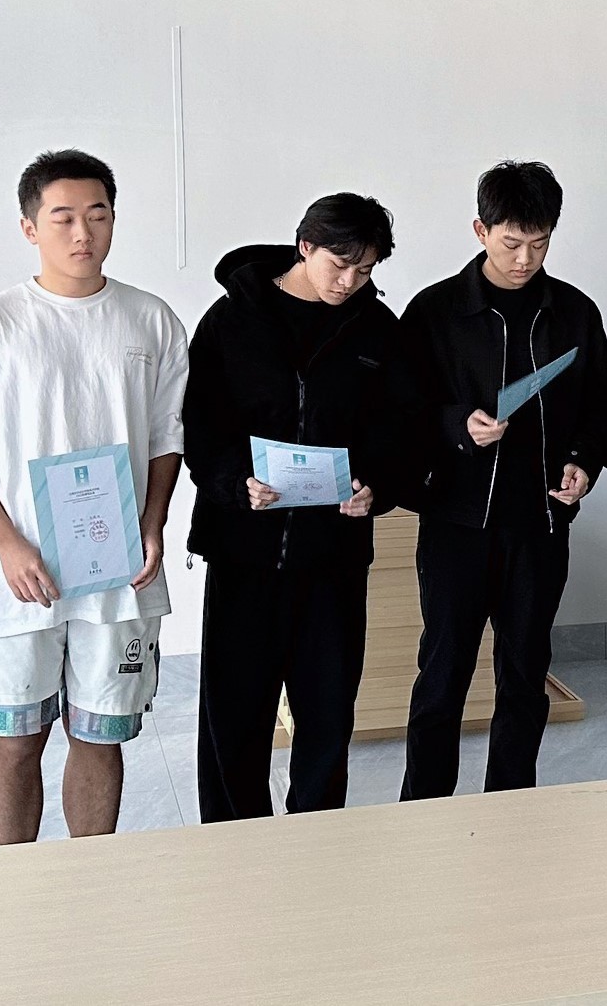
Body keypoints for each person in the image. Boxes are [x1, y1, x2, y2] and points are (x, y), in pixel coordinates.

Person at [0, 150, 187, 844]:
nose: (83, 232)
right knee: (17, 736)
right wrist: (8, 545)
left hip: (118, 568)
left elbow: (167, 438)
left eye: (97, 215)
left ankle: (89, 877)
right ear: (29, 227)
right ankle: (11, 880)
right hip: (22, 573)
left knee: (100, 735)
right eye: (63, 217)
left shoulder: (150, 319)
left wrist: (153, 524)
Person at [184, 194, 422, 819]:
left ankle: (318, 840)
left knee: (327, 712)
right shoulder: (231, 320)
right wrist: (234, 483)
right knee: (235, 713)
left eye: (365, 270)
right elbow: (200, 428)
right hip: (244, 552)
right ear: (305, 246)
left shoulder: (378, 330)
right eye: (339, 265)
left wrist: (376, 486)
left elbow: (400, 431)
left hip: (333, 556)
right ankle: (233, 838)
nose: (349, 282)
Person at [398, 160, 607, 798]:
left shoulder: (573, 311)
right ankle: (424, 807)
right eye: (511, 242)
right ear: (480, 230)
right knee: (442, 676)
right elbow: (400, 412)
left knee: (525, 676)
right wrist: (457, 425)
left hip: (540, 523)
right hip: (456, 523)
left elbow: (601, 407)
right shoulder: (435, 310)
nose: (525, 259)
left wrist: (583, 462)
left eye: (539, 244)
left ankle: (511, 807)